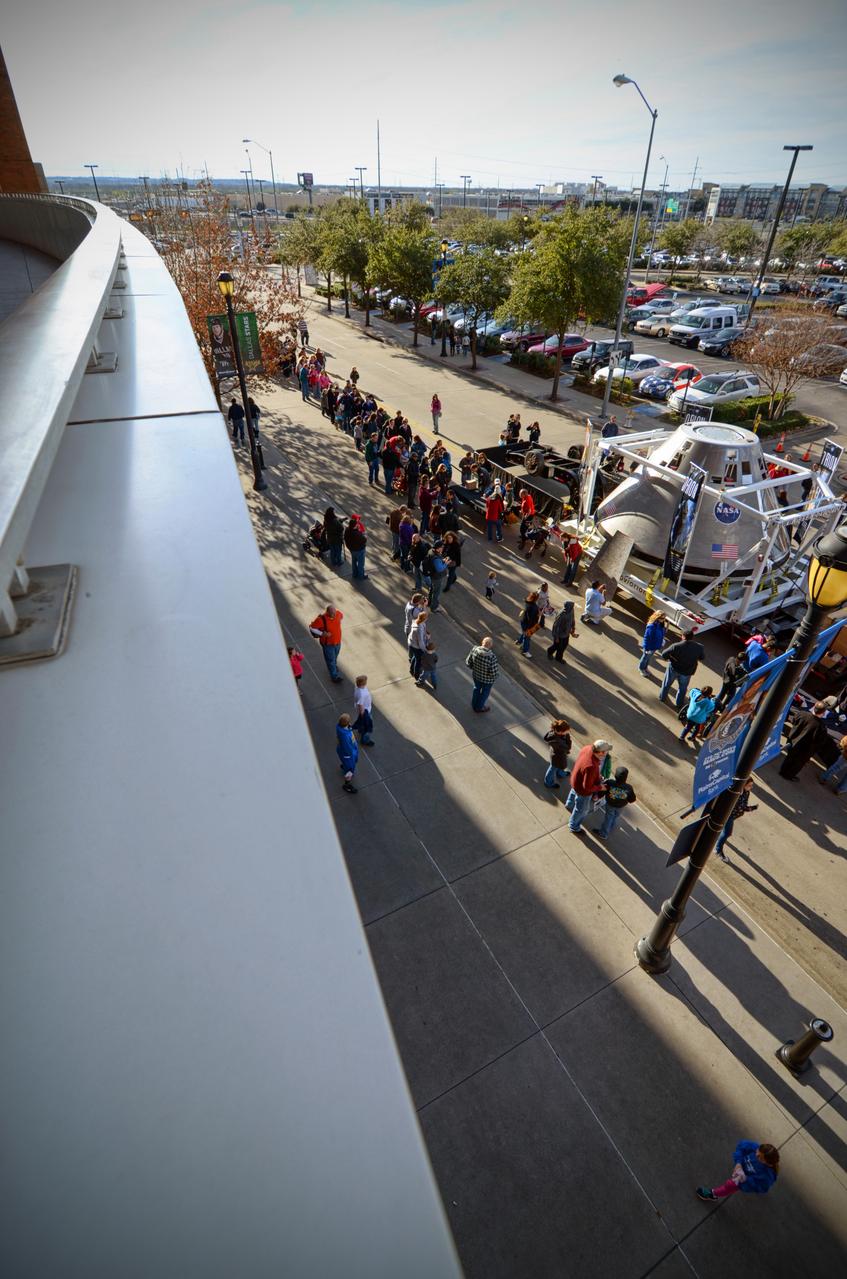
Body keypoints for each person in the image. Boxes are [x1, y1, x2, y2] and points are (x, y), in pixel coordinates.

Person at [696, 1141, 779, 1202]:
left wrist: (745, 1179)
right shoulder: (757, 1149)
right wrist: (738, 1163)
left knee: (729, 1186)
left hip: (742, 1179)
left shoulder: (767, 1176)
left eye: (759, 1156)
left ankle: (712, 1194)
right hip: (740, 1170)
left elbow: (759, 1187)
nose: (755, 1153)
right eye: (757, 1151)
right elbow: (741, 1147)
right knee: (730, 1184)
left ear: (766, 1162)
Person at [566, 740, 611, 835]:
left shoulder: (587, 748)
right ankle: (573, 826)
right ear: (600, 752)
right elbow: (587, 787)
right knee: (582, 810)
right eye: (606, 751)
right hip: (582, 791)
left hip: (575, 780)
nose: (607, 753)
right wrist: (600, 788)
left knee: (573, 792)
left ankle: (569, 804)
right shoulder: (591, 766)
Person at [779, 701, 831, 780]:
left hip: (793, 742)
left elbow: (793, 721)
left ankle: (782, 771)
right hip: (805, 751)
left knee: (789, 758)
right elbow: (819, 743)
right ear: (823, 713)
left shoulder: (802, 714)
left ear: (814, 707)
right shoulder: (821, 727)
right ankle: (788, 775)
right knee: (797, 764)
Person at [658, 628, 706, 710]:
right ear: (692, 637)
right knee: (683, 688)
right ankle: (679, 703)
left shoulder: (676, 646)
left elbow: (664, 654)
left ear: (683, 636)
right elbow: (702, 657)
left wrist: (671, 659)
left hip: (674, 669)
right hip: (687, 672)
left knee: (667, 684)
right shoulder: (699, 647)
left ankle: (662, 697)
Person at [715, 779, 758, 861]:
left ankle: (718, 838)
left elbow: (743, 805)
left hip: (734, 815)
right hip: (728, 815)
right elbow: (741, 807)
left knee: (723, 829)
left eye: (752, 785)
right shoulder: (737, 793)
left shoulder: (746, 792)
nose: (751, 787)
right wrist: (752, 808)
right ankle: (718, 850)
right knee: (727, 833)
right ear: (743, 785)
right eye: (749, 785)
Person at [598, 766, 636, 839]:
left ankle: (603, 834)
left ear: (615, 775)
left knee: (608, 818)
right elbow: (632, 799)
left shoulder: (610, 783)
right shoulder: (629, 788)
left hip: (610, 804)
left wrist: (598, 796)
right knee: (615, 816)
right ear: (626, 777)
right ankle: (611, 827)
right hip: (621, 806)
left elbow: (602, 791)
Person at [310, 605, 344, 683]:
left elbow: (341, 617)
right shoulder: (321, 619)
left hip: (337, 642)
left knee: (335, 656)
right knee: (331, 660)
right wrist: (322, 633)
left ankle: (334, 667)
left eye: (335, 612)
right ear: (327, 612)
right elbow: (312, 628)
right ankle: (334, 676)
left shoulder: (338, 614)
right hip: (327, 644)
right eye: (332, 613)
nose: (334, 614)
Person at [466, 636, 500, 712]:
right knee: (484, 693)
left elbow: (468, 662)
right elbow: (493, 673)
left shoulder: (474, 650)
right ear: (490, 646)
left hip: (476, 676)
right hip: (487, 681)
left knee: (476, 689)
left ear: (482, 643)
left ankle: (474, 704)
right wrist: (495, 677)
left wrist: (474, 668)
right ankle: (479, 707)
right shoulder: (492, 657)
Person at [543, 719, 572, 789]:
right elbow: (566, 747)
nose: (568, 732)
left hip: (558, 755)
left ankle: (561, 774)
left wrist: (566, 736)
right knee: (553, 768)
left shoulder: (556, 733)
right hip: (557, 757)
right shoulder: (557, 741)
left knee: (559, 766)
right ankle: (548, 782)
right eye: (566, 731)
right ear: (560, 732)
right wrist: (568, 741)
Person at [336, 714, 359, 794]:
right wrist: (352, 757)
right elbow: (348, 749)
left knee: (345, 763)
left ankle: (344, 766)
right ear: (346, 723)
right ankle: (347, 785)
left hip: (342, 752)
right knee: (350, 770)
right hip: (348, 756)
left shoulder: (340, 728)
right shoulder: (345, 736)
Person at [638, 611, 666, 675]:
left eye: (664, 618)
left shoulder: (660, 624)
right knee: (645, 657)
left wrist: (661, 641)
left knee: (648, 657)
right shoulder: (651, 626)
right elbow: (649, 637)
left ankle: (645, 667)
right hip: (649, 646)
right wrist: (648, 648)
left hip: (655, 645)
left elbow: (661, 633)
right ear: (657, 617)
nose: (663, 620)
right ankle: (641, 668)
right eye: (662, 618)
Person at [424, 540, 449, 613]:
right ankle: (434, 607)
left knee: (432, 589)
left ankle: (429, 602)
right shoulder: (436, 558)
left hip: (432, 575)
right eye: (442, 547)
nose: (443, 548)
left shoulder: (431, 551)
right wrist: (446, 563)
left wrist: (443, 560)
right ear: (438, 548)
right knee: (436, 592)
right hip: (437, 577)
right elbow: (439, 569)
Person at [516, 590, 541, 657]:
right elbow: (531, 619)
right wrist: (538, 615)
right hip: (529, 625)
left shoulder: (527, 601)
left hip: (523, 622)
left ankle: (519, 641)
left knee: (524, 633)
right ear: (536, 599)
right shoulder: (534, 607)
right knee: (527, 638)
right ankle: (525, 651)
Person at [353, 675, 375, 746]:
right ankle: (365, 740)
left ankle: (360, 728)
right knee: (366, 725)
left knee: (362, 723)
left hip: (363, 709)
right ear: (364, 683)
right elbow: (361, 705)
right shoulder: (362, 694)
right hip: (365, 711)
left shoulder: (357, 688)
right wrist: (363, 715)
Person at [344, 515, 368, 580]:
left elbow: (345, 538)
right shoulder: (357, 534)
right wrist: (365, 534)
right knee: (361, 564)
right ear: (354, 526)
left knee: (354, 562)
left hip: (352, 550)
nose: (357, 525)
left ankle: (354, 574)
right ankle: (361, 575)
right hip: (359, 550)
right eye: (356, 524)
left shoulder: (347, 530)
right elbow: (364, 539)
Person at [408, 610, 430, 681]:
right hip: (416, 646)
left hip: (412, 643)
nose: (427, 618)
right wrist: (425, 650)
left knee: (415, 657)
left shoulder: (416, 621)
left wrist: (426, 635)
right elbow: (420, 642)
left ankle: (411, 669)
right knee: (418, 661)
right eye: (426, 617)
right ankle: (416, 675)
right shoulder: (419, 629)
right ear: (424, 619)